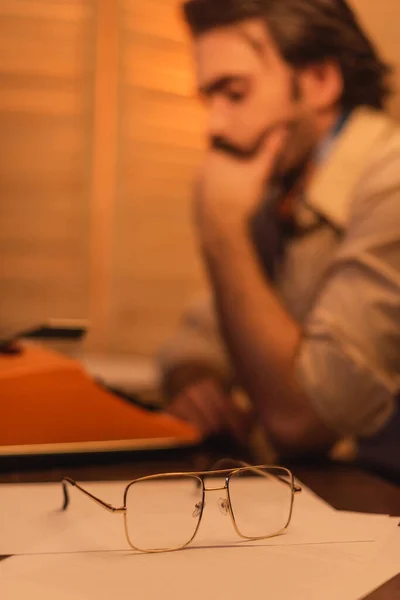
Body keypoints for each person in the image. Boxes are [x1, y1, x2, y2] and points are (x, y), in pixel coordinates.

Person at [158, 0, 400, 476]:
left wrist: (222, 231)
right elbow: (198, 340)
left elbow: (305, 419)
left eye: (234, 93)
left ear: (319, 80)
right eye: (209, 100)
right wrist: (198, 382)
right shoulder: (285, 188)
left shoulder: (391, 183)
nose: (215, 125)